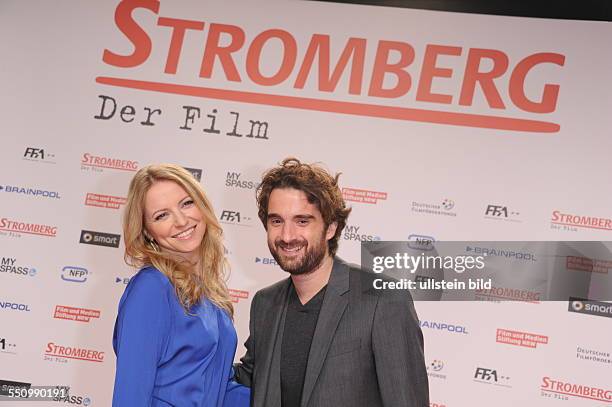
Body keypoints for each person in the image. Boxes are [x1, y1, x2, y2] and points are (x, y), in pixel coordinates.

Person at [234, 158, 429, 407]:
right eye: (276, 221)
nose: (287, 235)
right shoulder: (265, 303)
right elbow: (248, 380)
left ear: (330, 228)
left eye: (302, 221)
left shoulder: (383, 300)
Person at [113, 164, 249, 406]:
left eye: (186, 203)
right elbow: (130, 394)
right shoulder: (151, 289)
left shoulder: (209, 290)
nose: (180, 220)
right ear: (147, 231)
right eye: (161, 215)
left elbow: (219, 390)